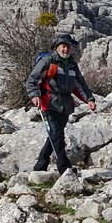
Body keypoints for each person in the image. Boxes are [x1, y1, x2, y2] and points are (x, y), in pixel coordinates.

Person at [26, 33, 96, 174]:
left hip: (66, 105)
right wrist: (34, 96)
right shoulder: (47, 61)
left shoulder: (72, 65)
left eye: (68, 47)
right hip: (49, 103)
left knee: (54, 135)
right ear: (57, 47)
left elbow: (80, 85)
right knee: (58, 135)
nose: (66, 49)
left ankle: (40, 165)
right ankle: (64, 168)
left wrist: (89, 99)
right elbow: (31, 80)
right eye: (64, 46)